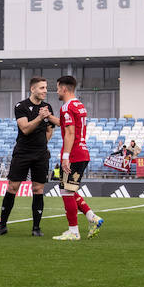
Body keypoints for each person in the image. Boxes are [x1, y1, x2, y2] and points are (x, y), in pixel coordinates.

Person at [0, 76, 56, 237]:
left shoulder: (48, 107)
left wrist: (42, 142)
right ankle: (2, 226)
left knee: (38, 189)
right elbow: (25, 129)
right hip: (22, 152)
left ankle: (36, 228)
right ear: (33, 89)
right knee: (12, 187)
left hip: (41, 154)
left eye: (46, 88)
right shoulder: (21, 106)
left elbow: (50, 130)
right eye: (42, 88)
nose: (45, 91)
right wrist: (40, 117)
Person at [52, 75, 103, 241]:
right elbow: (68, 125)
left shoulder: (66, 107)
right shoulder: (79, 105)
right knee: (70, 189)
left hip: (73, 154)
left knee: (66, 191)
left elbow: (70, 132)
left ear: (64, 89)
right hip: (82, 152)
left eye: (58, 88)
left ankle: (74, 231)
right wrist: (49, 117)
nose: (57, 91)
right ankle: (91, 217)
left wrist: (65, 157)